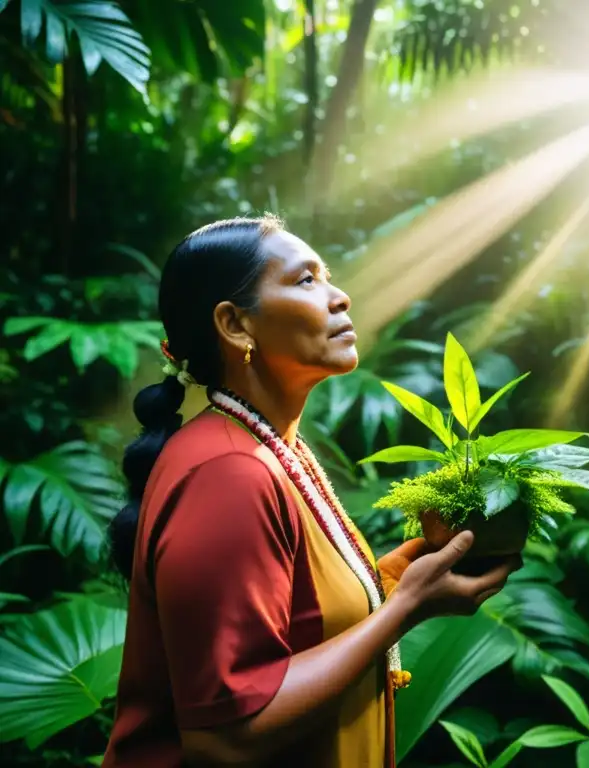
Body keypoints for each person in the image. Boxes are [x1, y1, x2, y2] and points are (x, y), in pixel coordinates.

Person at [102, 215, 519, 768]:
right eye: (306, 281)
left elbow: (299, 623)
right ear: (234, 325)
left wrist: (395, 581)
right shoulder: (228, 471)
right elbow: (226, 737)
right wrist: (408, 609)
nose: (340, 297)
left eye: (328, 277)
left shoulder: (266, 445)